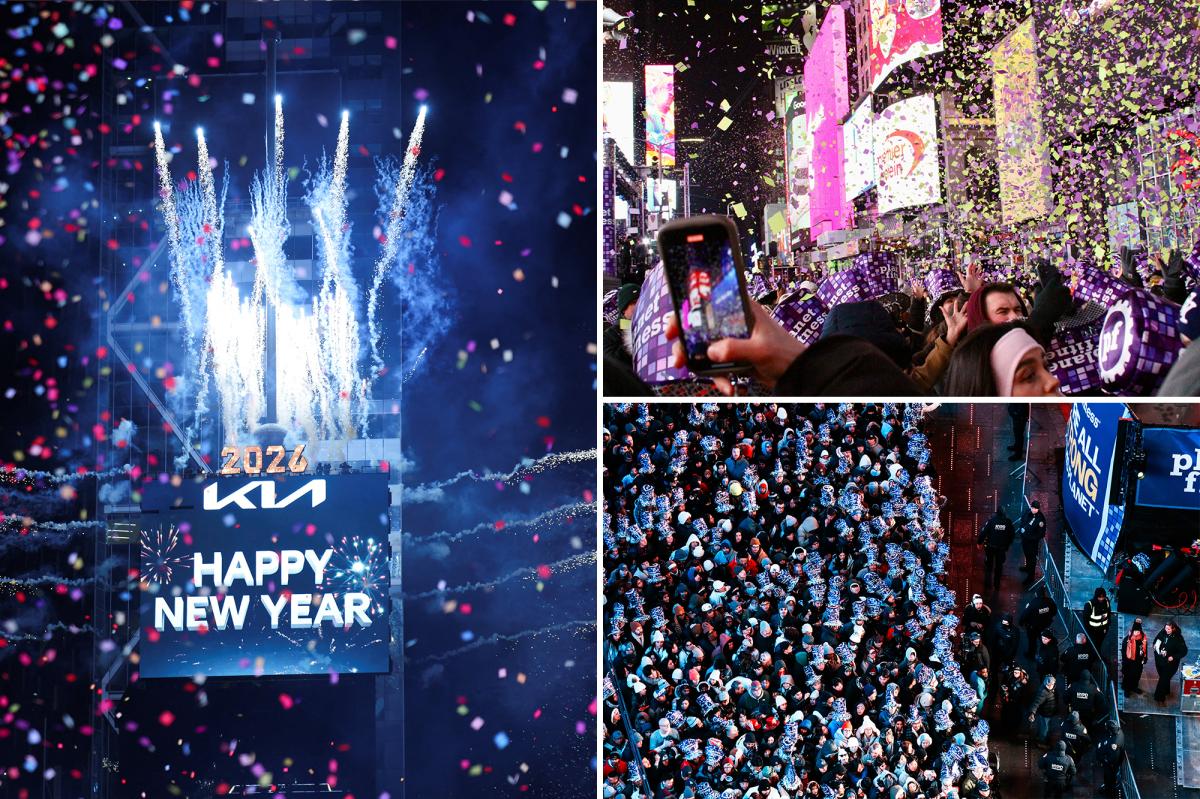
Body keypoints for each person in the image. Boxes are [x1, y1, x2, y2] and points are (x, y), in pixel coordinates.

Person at [603, 283, 641, 370]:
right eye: (634, 302)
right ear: (624, 309)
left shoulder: (652, 324)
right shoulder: (609, 335)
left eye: (641, 301)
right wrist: (634, 341)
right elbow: (612, 363)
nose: (639, 305)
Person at [977, 508, 1015, 592]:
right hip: (1001, 549)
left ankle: (987, 585)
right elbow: (1012, 535)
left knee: (989, 567)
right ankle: (996, 585)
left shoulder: (992, 521)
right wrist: (1007, 545)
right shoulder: (1008, 522)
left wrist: (979, 542)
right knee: (999, 567)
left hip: (990, 548)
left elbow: (984, 532)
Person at [1153, 619, 1189, 702]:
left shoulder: (1178, 638)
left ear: (1173, 629)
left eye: (1168, 629)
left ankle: (1158, 697)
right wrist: (1155, 645)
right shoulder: (1163, 632)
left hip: (1170, 663)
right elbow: (1156, 639)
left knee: (1163, 679)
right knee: (1164, 678)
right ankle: (1166, 691)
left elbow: (1184, 651)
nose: (1166, 630)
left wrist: (1173, 656)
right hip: (1160, 660)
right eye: (1166, 628)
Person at [1018, 499, 1047, 585]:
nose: (1034, 510)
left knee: (1032, 560)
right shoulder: (1027, 512)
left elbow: (1041, 534)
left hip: (1032, 543)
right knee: (1027, 555)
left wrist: (1031, 538)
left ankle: (1031, 577)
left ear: (1038, 509)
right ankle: (1027, 568)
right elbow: (1023, 521)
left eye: (1036, 508)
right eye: (1033, 508)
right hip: (1025, 540)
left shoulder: (1040, 519)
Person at [1095, 718, 1126, 796]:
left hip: (1111, 764)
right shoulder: (1120, 732)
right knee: (1112, 777)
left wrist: (1106, 761)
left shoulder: (1114, 743)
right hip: (1117, 761)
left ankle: (1108, 790)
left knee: (1109, 777)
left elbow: (1113, 757)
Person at [1027, 674, 1059, 745]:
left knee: (1046, 727)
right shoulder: (1043, 692)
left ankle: (1043, 737)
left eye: (1052, 685)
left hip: (1051, 713)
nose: (1050, 687)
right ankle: (1042, 741)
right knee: (1044, 728)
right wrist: (1032, 712)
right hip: (1045, 714)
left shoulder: (1053, 689)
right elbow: (1036, 703)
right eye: (1049, 685)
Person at [1121, 618, 1149, 695]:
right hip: (1129, 662)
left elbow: (1145, 649)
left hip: (1138, 662)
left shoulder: (1143, 639)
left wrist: (1145, 658)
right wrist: (1125, 661)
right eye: (1135, 631)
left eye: (1138, 631)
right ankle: (1127, 689)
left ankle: (1134, 687)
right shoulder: (1127, 639)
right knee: (1128, 676)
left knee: (1137, 675)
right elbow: (1123, 651)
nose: (1137, 633)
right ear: (1133, 631)